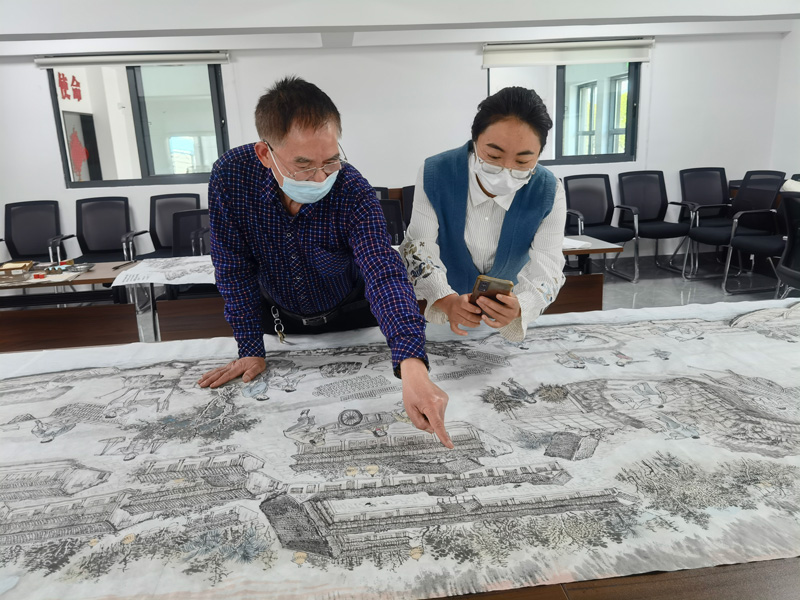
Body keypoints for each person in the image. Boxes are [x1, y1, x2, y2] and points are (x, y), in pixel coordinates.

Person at [197, 76, 452, 448]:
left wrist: (412, 364)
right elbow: (233, 268)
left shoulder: (351, 190)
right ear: (265, 154)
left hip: (353, 319)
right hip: (280, 323)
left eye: (330, 161)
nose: (319, 178)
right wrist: (250, 348)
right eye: (303, 166)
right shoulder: (232, 177)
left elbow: (383, 272)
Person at [400, 86, 566, 342]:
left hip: (504, 323)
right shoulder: (437, 173)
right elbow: (419, 244)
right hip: (441, 314)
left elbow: (549, 263)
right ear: (475, 141)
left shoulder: (548, 190)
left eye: (522, 162)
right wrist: (445, 299)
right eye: (493, 155)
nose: (506, 170)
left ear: (539, 154)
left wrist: (522, 305)